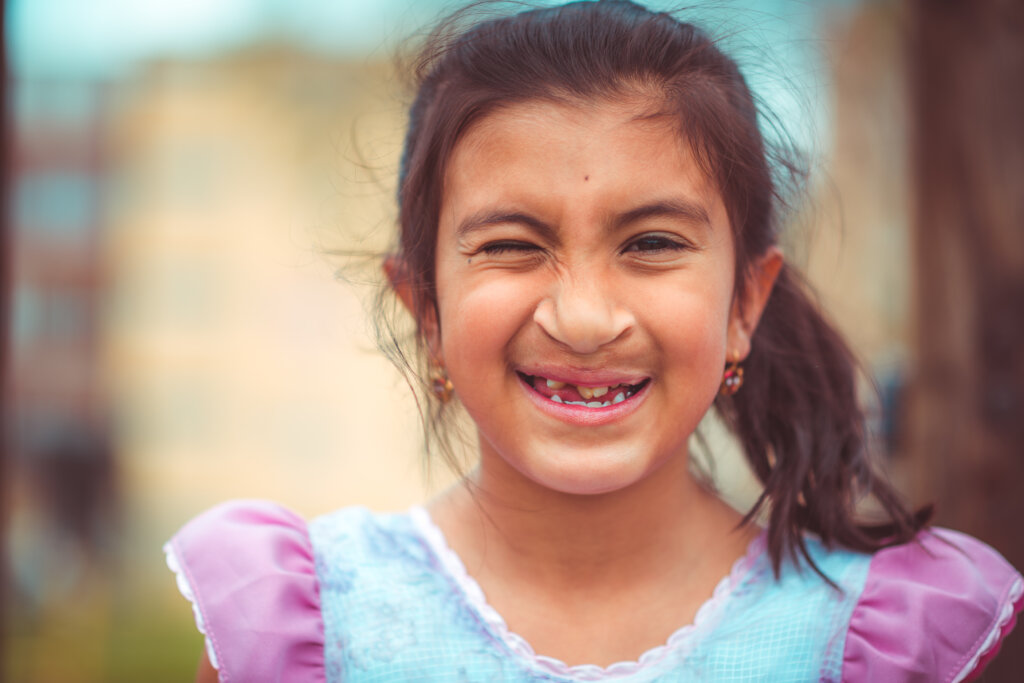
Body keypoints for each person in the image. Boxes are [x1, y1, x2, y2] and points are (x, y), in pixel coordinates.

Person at [165, 2, 1023, 680]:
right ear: (425, 308)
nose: (582, 318)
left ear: (744, 306)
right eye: (511, 245)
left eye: (651, 244)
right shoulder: (301, 628)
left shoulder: (874, 641)